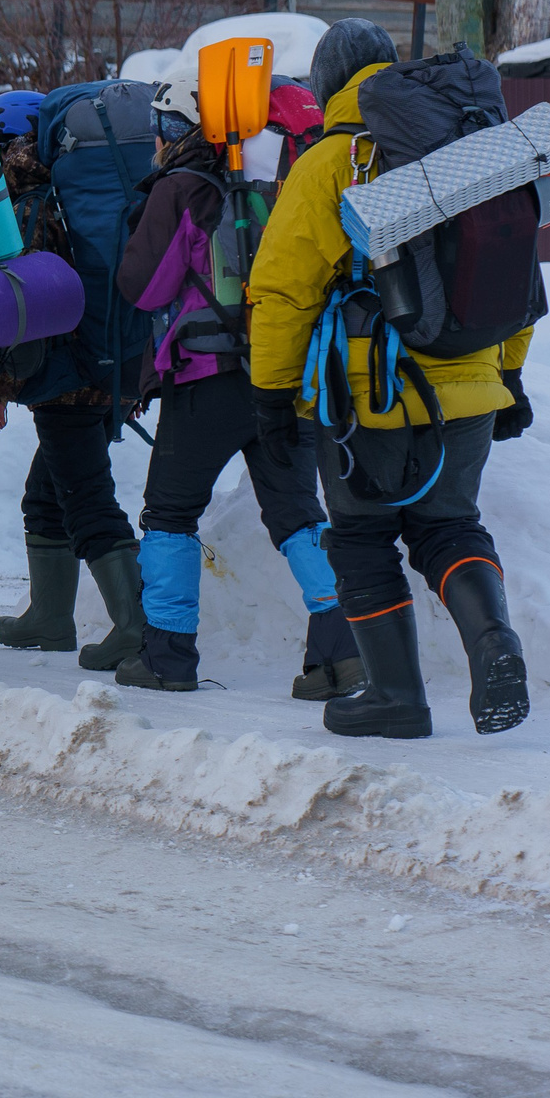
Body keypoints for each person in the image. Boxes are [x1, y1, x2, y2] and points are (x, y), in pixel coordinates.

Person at [247, 20, 536, 740]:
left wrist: (271, 393)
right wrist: (511, 375)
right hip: (470, 378)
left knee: (362, 536)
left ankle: (396, 696)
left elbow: (282, 290)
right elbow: (514, 270)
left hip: (365, 391)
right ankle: (494, 641)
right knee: (449, 526)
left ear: (327, 82)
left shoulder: (333, 160)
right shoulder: (467, 150)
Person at [116, 77, 351, 698]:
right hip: (281, 374)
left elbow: (141, 287)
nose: (160, 141)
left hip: (207, 379)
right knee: (297, 512)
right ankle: (342, 648)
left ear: (192, 130)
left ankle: (166, 656)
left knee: (169, 511)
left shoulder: (180, 189)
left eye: (167, 127)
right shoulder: (283, 182)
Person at [0, 89, 148, 674]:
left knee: (87, 501)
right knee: (45, 495)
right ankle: (49, 618)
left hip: (68, 380)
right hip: (115, 367)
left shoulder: (34, 204)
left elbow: (28, 310)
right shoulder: (85, 197)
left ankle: (135, 628)